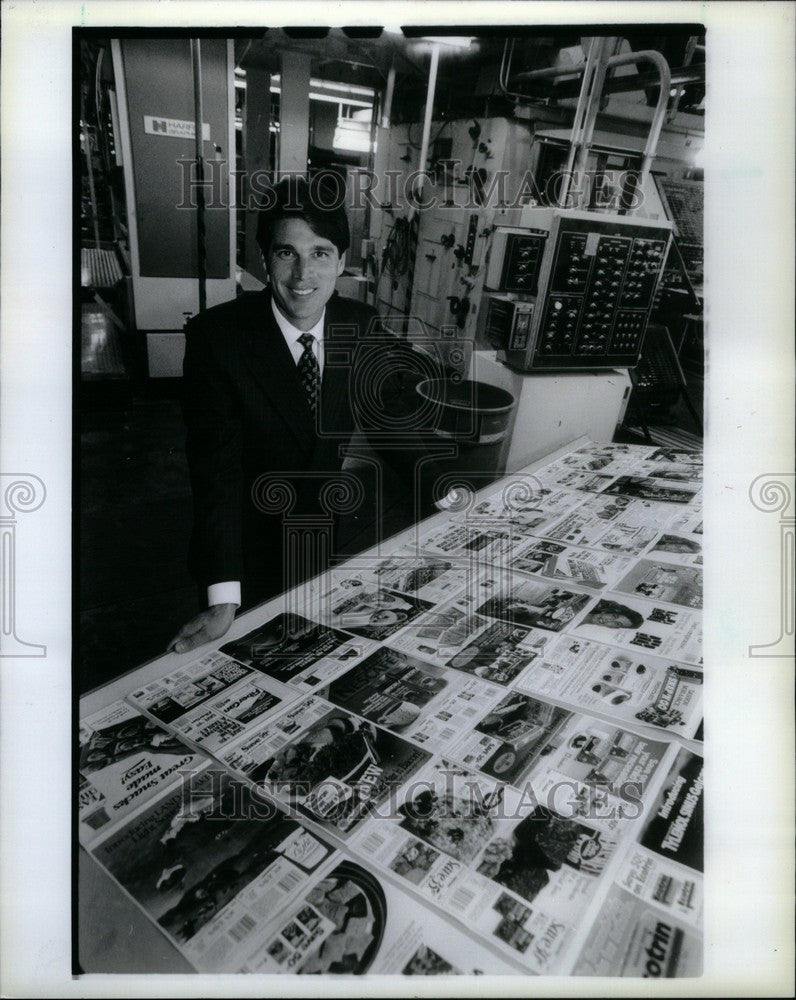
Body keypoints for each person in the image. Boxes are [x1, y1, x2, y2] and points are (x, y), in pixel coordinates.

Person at [169, 175, 445, 654]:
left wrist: (446, 492)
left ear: (341, 261)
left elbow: (387, 421)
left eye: (319, 253)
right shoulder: (218, 340)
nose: (303, 275)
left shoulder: (359, 326)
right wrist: (221, 594)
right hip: (243, 551)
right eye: (286, 253)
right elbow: (217, 472)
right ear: (263, 259)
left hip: (322, 536)